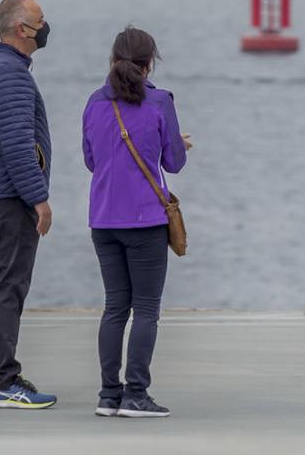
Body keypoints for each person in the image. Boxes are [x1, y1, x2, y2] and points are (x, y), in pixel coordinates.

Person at [82, 27, 191, 419]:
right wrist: (176, 141)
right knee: (146, 309)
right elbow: (174, 162)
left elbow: (92, 160)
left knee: (115, 307)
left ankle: (109, 395)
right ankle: (136, 394)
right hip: (145, 219)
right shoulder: (160, 101)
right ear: (149, 65)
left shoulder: (95, 102)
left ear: (113, 61)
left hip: (103, 218)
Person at [0, 0, 57, 410]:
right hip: (10, 194)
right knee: (9, 286)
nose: (45, 26)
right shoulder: (12, 75)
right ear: (21, 29)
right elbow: (19, 145)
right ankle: (3, 380)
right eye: (40, 21)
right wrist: (38, 198)